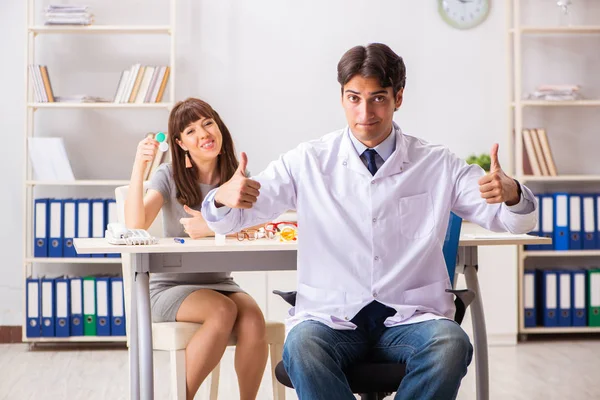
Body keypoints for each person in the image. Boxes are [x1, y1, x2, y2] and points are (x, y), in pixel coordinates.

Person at [201, 43, 537, 400]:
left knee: (450, 344)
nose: (365, 112)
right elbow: (231, 220)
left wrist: (513, 193)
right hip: (332, 318)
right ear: (342, 98)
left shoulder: (437, 163)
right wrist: (223, 196)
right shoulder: (308, 160)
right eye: (354, 98)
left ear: (399, 97)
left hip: (411, 317)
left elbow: (514, 222)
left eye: (378, 98)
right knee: (301, 346)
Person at [124, 98, 268, 400]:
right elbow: (136, 223)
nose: (203, 134)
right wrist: (139, 167)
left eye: (207, 123)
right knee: (221, 310)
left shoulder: (236, 177)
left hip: (219, 282)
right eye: (190, 131)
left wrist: (213, 227)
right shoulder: (170, 175)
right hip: (169, 288)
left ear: (219, 127)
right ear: (180, 143)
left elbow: (259, 227)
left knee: (254, 319)